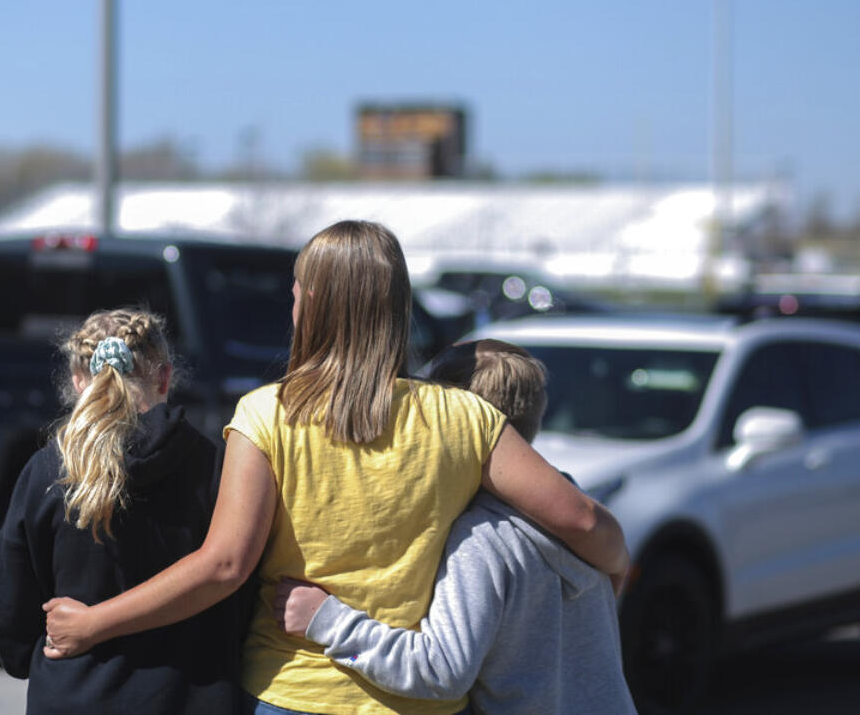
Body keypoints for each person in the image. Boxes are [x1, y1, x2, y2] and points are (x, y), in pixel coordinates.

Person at [43, 221, 629, 715]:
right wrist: (618, 565)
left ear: (314, 306)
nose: (292, 303)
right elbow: (578, 520)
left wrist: (95, 624)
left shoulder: (267, 413)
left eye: (297, 291)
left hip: (291, 693)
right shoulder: (463, 417)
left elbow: (222, 565)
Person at [275, 339, 637, 714]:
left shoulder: (483, 538)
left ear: (456, 423)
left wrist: (328, 621)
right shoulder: (578, 514)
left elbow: (442, 671)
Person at [0, 308, 249, 714]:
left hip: (74, 695)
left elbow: (11, 617)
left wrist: (31, 657)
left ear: (78, 382)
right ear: (164, 378)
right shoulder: (214, 465)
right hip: (188, 696)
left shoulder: (48, 471)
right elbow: (245, 592)